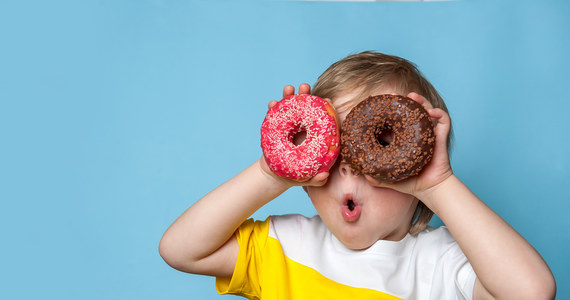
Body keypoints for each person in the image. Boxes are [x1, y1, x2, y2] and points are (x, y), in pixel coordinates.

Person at [159, 51, 556, 299]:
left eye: (379, 143)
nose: (348, 163)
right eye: (332, 148)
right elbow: (181, 249)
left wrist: (438, 185)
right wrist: (273, 173)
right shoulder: (285, 247)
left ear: (415, 161)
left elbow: (531, 293)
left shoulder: (441, 266)